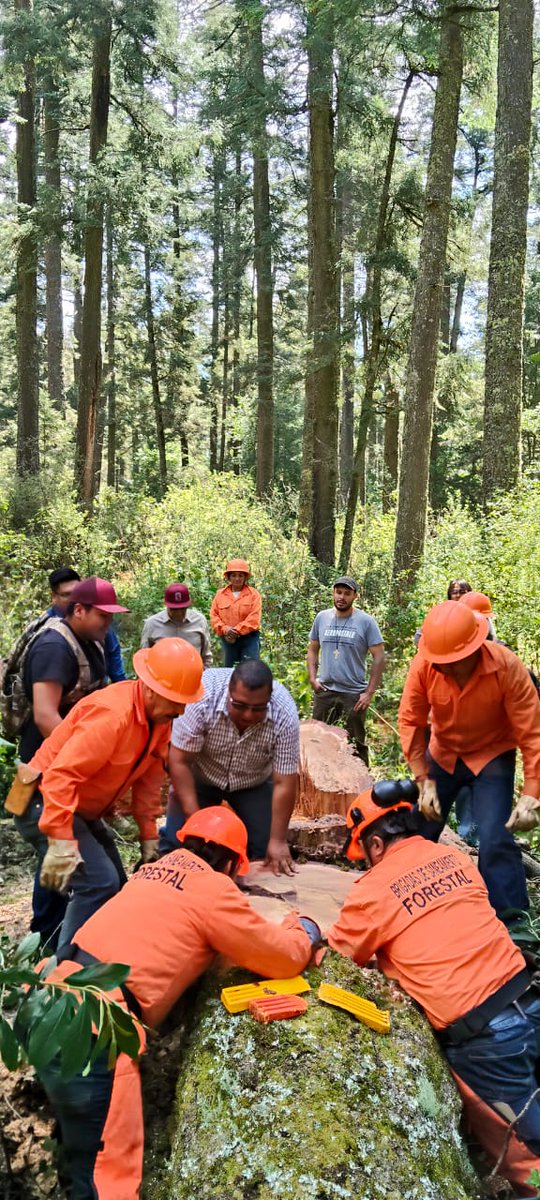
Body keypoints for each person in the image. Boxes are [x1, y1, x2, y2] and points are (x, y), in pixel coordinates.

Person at [37, 806, 318, 1200]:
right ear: (232, 864)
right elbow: (283, 957)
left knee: (80, 1158)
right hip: (97, 1031)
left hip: (51, 1001)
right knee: (109, 1182)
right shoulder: (213, 889)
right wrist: (303, 929)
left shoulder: (151, 871)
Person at [327, 782, 540, 1197]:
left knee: (529, 1162)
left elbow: (340, 954)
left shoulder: (372, 891)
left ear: (373, 842)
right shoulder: (453, 857)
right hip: (528, 1000)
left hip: (485, 1040)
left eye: (364, 857)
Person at [12, 638, 205, 949]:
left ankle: (93, 954)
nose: (181, 710)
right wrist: (61, 841)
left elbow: (149, 780)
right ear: (151, 688)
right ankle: (67, 976)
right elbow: (60, 778)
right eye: (175, 700)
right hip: (41, 799)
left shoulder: (159, 719)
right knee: (98, 882)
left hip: (76, 807)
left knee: (116, 883)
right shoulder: (112, 715)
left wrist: (148, 836)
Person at [398, 599, 540, 921]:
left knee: (494, 836)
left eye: (451, 661)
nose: (442, 667)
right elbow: (410, 721)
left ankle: (513, 922)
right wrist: (424, 780)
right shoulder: (423, 666)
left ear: (473, 649)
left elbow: (532, 732)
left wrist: (532, 793)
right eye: (437, 660)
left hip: (492, 755)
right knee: (420, 824)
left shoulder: (506, 667)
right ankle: (403, 902)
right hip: (443, 752)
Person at [12, 577, 128, 946]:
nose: (108, 624)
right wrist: (89, 760)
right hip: (39, 775)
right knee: (59, 858)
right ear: (79, 610)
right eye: (102, 616)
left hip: (64, 771)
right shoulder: (53, 648)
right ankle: (47, 942)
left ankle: (63, 938)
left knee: (70, 862)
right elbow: (47, 717)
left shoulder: (88, 642)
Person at [159, 660, 299, 875]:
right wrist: (196, 822)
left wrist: (278, 840)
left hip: (253, 782)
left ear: (269, 699)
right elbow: (179, 761)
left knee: (262, 853)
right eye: (240, 705)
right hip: (200, 776)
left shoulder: (284, 713)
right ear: (228, 693)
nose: (248, 715)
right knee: (179, 843)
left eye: (258, 709)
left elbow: (284, 781)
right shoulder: (201, 697)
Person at [306, 576, 385, 765]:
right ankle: (319, 782)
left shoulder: (366, 621)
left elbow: (379, 656)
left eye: (347, 593)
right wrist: (312, 678)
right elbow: (312, 648)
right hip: (325, 691)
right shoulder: (322, 617)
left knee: (355, 744)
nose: (342, 597)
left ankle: (363, 789)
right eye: (339, 592)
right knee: (318, 740)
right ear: (333, 593)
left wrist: (368, 693)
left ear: (355, 596)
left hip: (353, 693)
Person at [48, 568, 127, 683]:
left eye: (76, 593)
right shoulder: (49, 638)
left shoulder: (98, 622)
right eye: (67, 595)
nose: (73, 599)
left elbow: (114, 659)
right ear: (54, 597)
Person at [140, 581, 213, 666]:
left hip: (194, 676)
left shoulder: (199, 621)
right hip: (162, 676)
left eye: (183, 609)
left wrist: (204, 674)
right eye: (174, 609)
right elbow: (144, 658)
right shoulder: (152, 624)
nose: (179, 613)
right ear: (166, 605)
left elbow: (206, 656)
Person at [209, 558, 262, 666]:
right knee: (229, 672)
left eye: (240, 575)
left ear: (245, 577)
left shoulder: (254, 594)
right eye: (233, 575)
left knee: (250, 670)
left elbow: (254, 618)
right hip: (227, 640)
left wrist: (236, 631)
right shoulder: (220, 594)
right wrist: (225, 629)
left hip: (249, 639)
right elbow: (214, 616)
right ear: (228, 577)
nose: (237, 578)